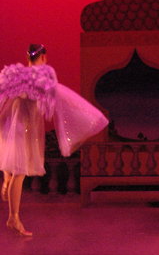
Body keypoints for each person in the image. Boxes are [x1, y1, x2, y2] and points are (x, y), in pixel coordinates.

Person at [0, 44, 108, 236]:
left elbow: (6, 100)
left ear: (27, 58)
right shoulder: (43, 75)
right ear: (43, 57)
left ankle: (7, 179)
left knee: (13, 165)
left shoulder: (15, 75)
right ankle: (13, 217)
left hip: (10, 124)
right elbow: (56, 99)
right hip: (22, 127)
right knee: (20, 172)